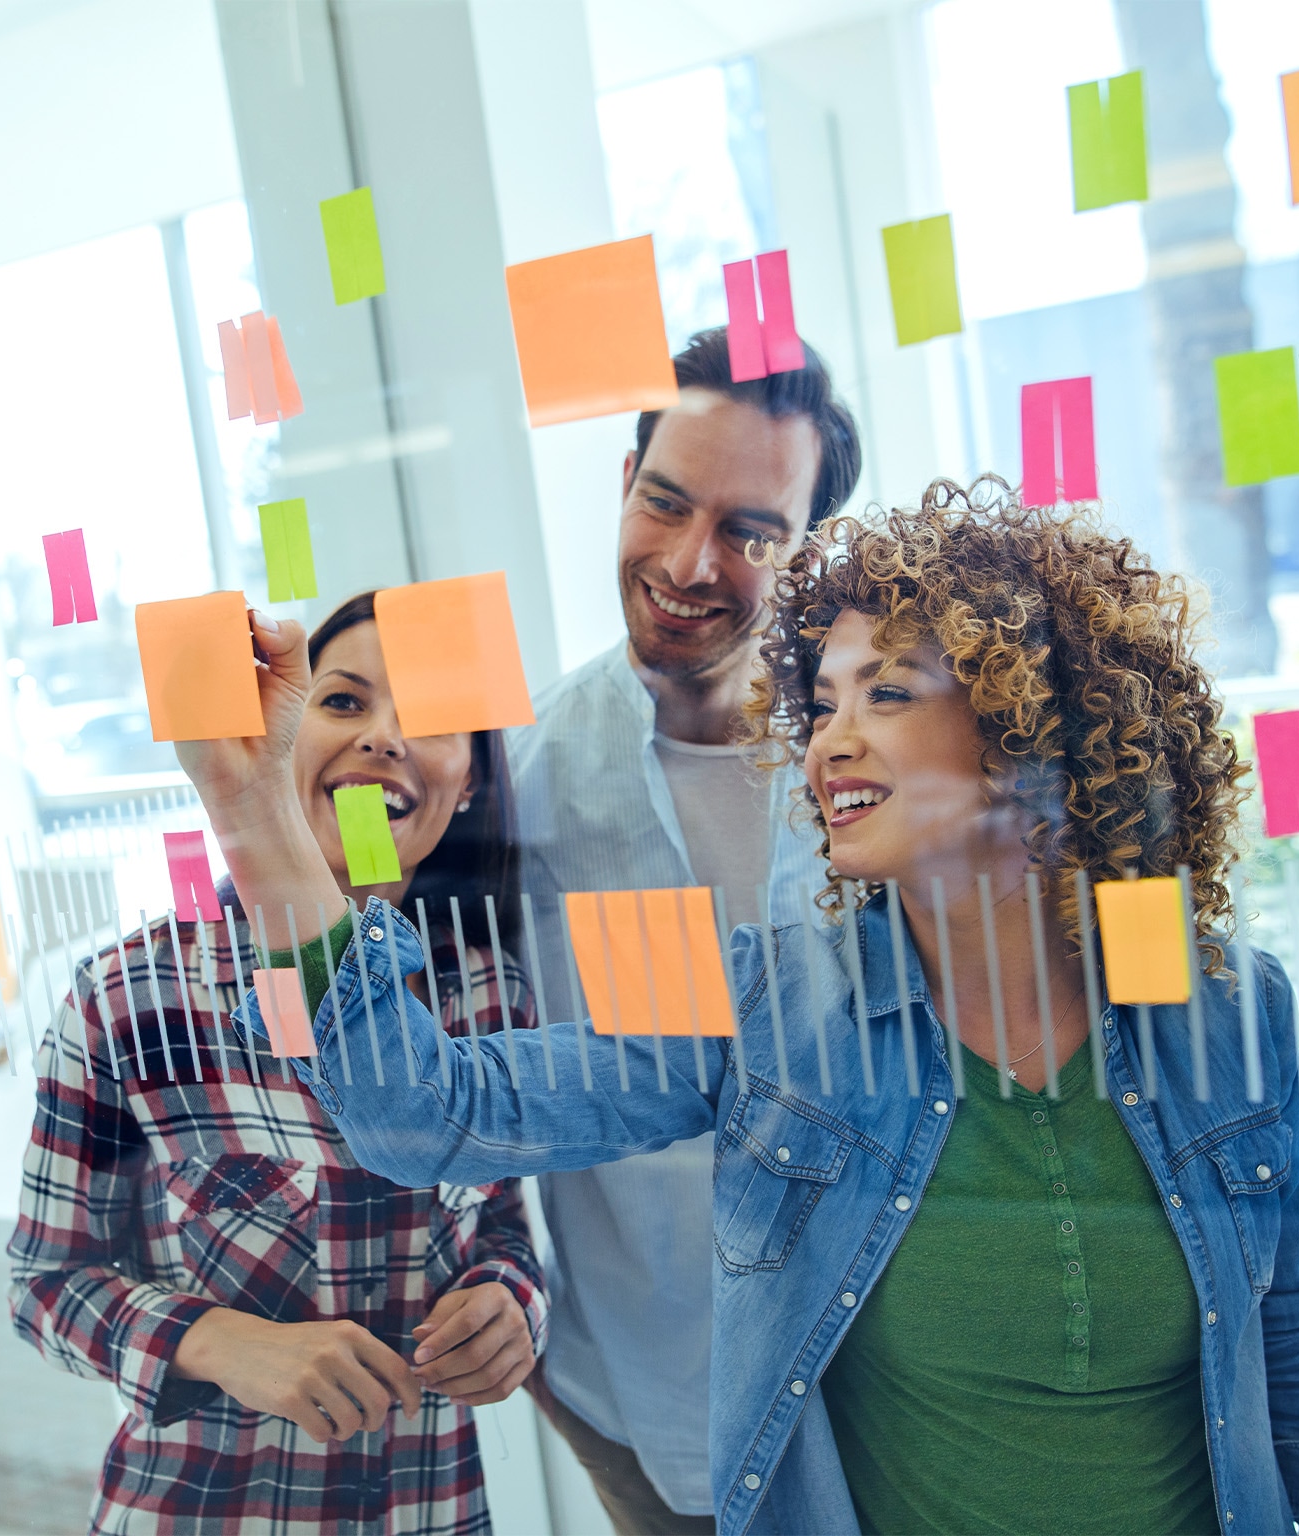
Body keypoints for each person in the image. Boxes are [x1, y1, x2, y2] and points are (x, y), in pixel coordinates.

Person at [181, 479, 1299, 1535]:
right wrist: (254, 814)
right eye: (822, 701)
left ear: (1029, 733)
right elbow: (423, 1115)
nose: (830, 740)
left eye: (887, 695)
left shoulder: (1220, 1007)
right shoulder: (775, 1006)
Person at [8, 593, 547, 1535]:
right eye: (344, 702)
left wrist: (514, 1306)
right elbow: (45, 1284)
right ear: (285, 734)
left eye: (431, 718)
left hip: (433, 1509)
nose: (384, 737)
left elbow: (503, 1229)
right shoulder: (132, 994)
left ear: (469, 782)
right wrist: (218, 1342)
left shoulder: (486, 991)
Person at [506, 324, 861, 1531]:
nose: (688, 562)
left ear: (810, 551)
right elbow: (455, 1061)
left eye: (750, 531)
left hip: (884, 1392)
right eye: (663, 503)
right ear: (623, 484)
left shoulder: (875, 764)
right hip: (649, 1406)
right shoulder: (519, 777)